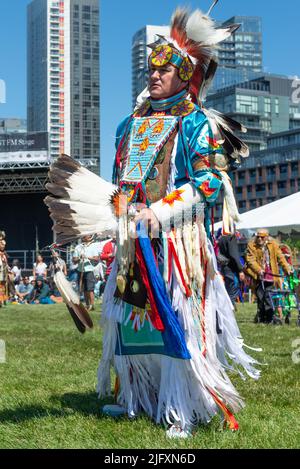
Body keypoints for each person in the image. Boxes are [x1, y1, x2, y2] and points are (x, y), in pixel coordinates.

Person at [46, 4, 261, 438]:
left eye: (165, 69)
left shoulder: (196, 122)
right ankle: (136, 398)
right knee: (131, 320)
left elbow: (207, 184)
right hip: (131, 240)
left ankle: (182, 407)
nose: (154, 75)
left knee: (176, 317)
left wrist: (159, 212)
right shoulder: (128, 125)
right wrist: (109, 224)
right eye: (151, 68)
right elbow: (119, 182)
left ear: (185, 75)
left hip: (176, 241)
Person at [245, 229, 292, 324]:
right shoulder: (251, 245)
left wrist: (287, 268)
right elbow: (250, 260)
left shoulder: (273, 244)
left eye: (262, 237)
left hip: (271, 274)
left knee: (268, 296)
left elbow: (280, 257)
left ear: (266, 237)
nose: (259, 239)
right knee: (260, 296)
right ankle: (262, 317)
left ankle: (269, 317)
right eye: (258, 236)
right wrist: (259, 270)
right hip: (258, 275)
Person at [72, 235, 101, 311]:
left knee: (90, 289)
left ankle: (92, 305)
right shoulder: (78, 247)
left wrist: (87, 257)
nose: (89, 237)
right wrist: (79, 258)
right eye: (87, 236)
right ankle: (87, 304)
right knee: (84, 289)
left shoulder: (93, 246)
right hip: (80, 270)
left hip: (90, 270)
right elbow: (74, 260)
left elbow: (97, 258)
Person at [217, 232, 245, 307]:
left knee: (228, 292)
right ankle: (229, 313)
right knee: (232, 292)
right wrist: (240, 270)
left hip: (224, 269)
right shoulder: (230, 238)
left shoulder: (221, 238)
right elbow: (234, 255)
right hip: (231, 270)